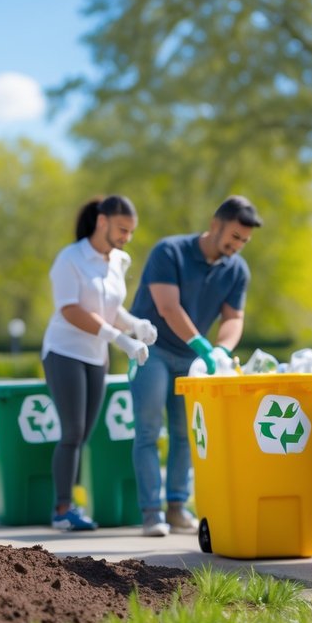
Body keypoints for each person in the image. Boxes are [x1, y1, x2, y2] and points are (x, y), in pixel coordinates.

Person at [129, 196, 262, 537]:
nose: (238, 246)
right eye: (234, 236)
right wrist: (201, 343)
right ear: (215, 225)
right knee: (149, 430)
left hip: (191, 359)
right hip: (152, 349)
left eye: (245, 241)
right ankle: (151, 513)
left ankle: (177, 508)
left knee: (186, 432)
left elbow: (234, 318)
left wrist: (220, 349)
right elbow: (168, 307)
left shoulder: (237, 270)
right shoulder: (169, 252)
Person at [41, 196, 154, 531]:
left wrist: (135, 325)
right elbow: (70, 309)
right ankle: (62, 509)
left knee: (84, 434)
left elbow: (111, 307)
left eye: (130, 232)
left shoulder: (119, 260)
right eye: (122, 229)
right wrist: (119, 338)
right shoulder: (70, 258)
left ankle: (72, 505)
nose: (126, 237)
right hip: (64, 351)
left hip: (96, 356)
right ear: (102, 222)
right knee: (72, 431)